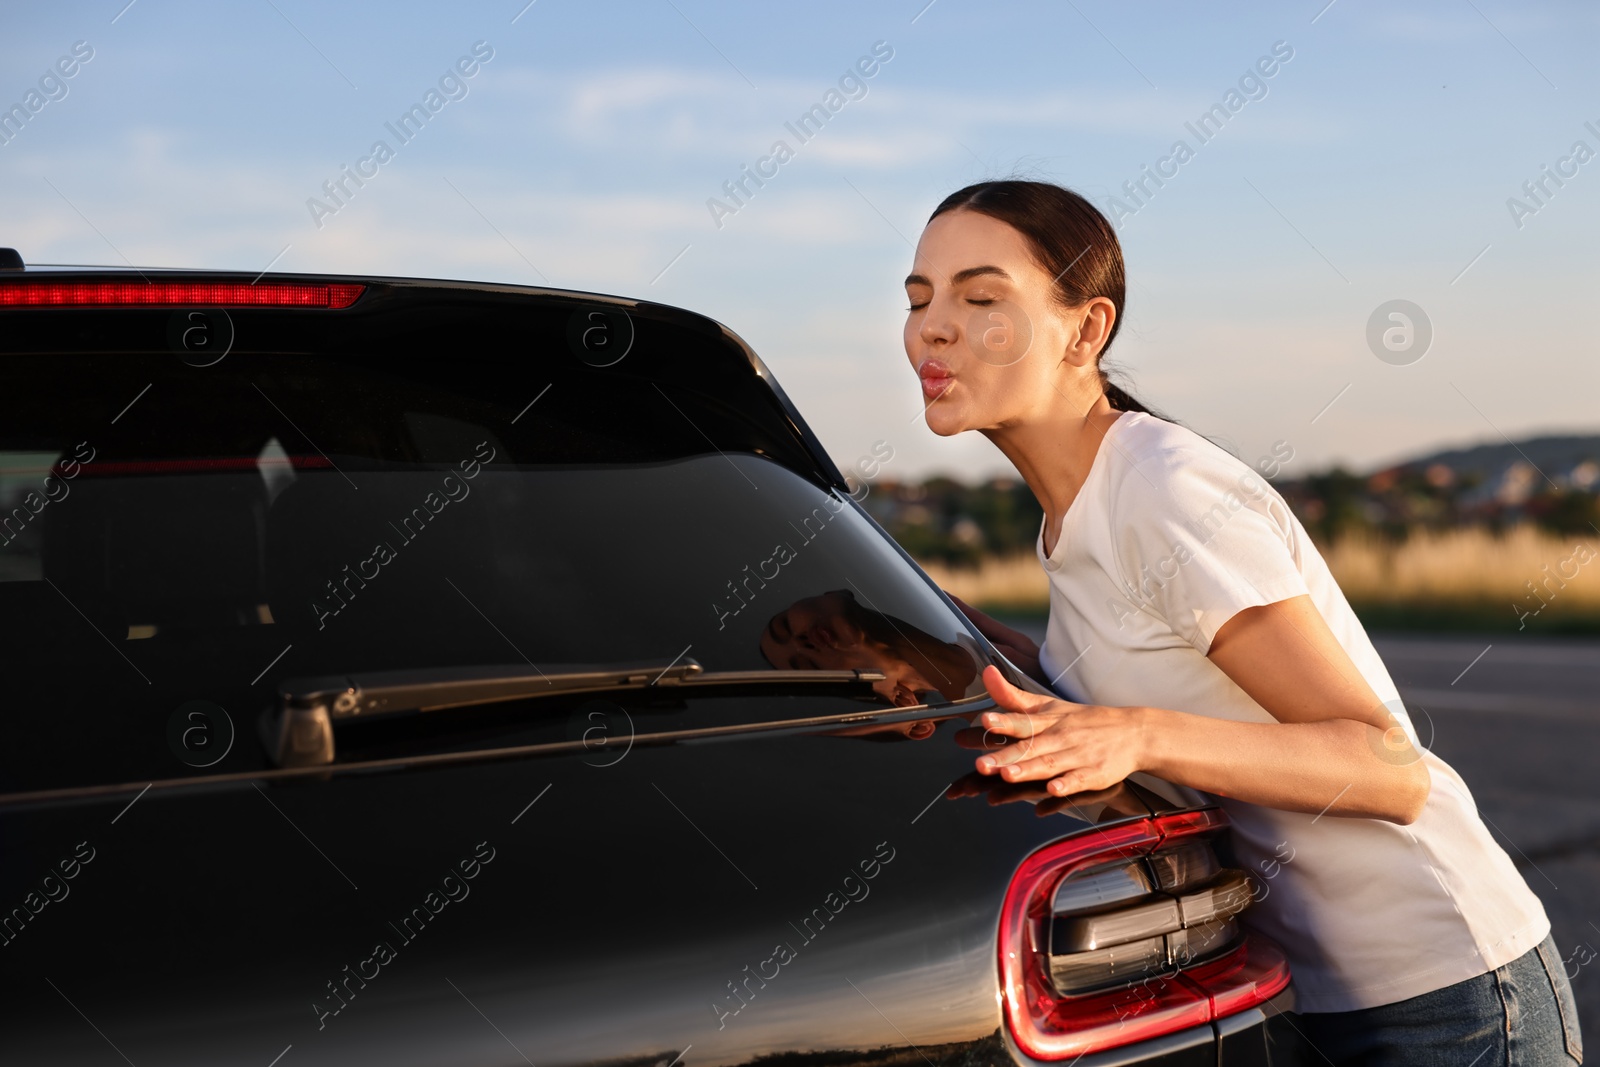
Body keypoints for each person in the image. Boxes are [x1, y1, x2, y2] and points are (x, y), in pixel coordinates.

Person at [900, 179, 1583, 1064]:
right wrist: (903, 625)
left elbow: (1387, 768)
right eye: (919, 300)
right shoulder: (1074, 515)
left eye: (980, 297)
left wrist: (1138, 734)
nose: (933, 328)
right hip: (1320, 990)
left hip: (1450, 995)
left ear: (1084, 328)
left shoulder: (1160, 488)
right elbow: (1106, 679)